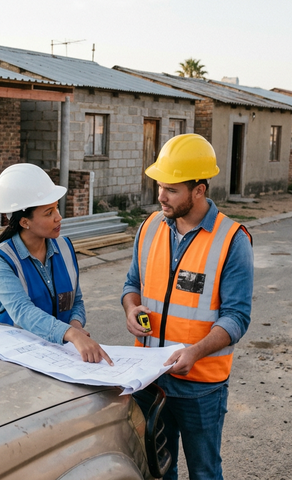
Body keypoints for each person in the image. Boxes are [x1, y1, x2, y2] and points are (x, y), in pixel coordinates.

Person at [121, 133, 253, 480]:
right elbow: (131, 284)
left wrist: (195, 351)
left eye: (172, 189)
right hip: (150, 378)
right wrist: (131, 308)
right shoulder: (150, 227)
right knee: (157, 470)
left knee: (205, 472)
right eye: (159, 186)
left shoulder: (232, 240)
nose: (160, 196)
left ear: (199, 190)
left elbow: (237, 316)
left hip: (200, 386)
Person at [0, 163, 113, 365]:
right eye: (49, 212)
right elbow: (22, 312)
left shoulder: (65, 247)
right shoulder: (0, 260)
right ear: (25, 222)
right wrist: (71, 334)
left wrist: (75, 325)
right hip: (13, 359)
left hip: (57, 354)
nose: (59, 217)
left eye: (56, 208)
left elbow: (75, 300)